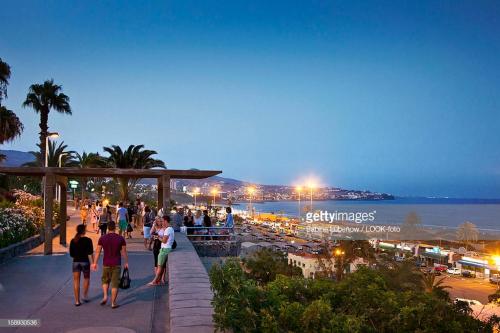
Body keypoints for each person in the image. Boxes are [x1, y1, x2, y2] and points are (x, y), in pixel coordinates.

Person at [91, 221, 128, 309]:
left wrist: (95, 263)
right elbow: (123, 252)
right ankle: (113, 302)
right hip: (116, 263)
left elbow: (97, 251)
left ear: (107, 228)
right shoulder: (120, 238)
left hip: (106, 263)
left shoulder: (102, 238)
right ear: (115, 228)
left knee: (105, 280)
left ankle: (105, 296)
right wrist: (126, 262)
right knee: (115, 283)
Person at [69, 224, 94, 306]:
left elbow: (71, 254)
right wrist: (93, 263)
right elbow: (90, 253)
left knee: (76, 281)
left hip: (76, 262)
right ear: (84, 231)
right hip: (85, 262)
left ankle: (77, 301)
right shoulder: (88, 240)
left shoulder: (73, 241)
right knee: (86, 279)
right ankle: (85, 296)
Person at [148, 215, 174, 286]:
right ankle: (158, 280)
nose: (161, 222)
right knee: (161, 266)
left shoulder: (168, 229)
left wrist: (158, 237)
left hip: (164, 249)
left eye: (162, 221)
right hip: (166, 248)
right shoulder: (170, 229)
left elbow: (164, 241)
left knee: (159, 266)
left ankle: (154, 281)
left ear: (165, 221)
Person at [150, 217, 166, 282]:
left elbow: (166, 237)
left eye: (161, 221)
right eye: (158, 221)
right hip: (156, 245)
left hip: (162, 245)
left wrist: (159, 236)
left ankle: (163, 278)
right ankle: (157, 277)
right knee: (156, 261)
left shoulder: (164, 228)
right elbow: (151, 233)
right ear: (156, 222)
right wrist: (154, 225)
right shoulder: (155, 228)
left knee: (163, 262)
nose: (160, 222)